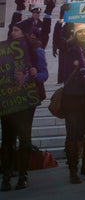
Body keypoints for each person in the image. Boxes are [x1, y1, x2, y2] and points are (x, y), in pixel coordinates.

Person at [0, 24, 48, 191]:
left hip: (26, 102)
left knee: (24, 139)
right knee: (7, 141)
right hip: (6, 101)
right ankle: (6, 176)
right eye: (11, 30)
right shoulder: (3, 50)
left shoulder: (36, 51)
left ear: (25, 33)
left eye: (17, 30)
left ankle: (23, 175)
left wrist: (33, 75)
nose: (13, 33)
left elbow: (44, 74)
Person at [59, 23, 85, 184]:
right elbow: (59, 39)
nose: (83, 34)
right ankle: (73, 170)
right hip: (73, 97)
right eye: (80, 31)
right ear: (75, 33)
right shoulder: (68, 48)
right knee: (73, 136)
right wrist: (61, 18)